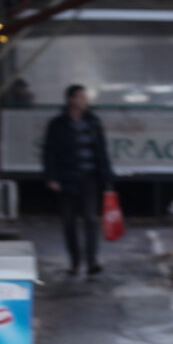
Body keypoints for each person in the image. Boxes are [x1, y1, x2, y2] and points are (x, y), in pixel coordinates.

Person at [42, 84, 116, 276]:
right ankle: (75, 262)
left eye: (85, 97)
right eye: (80, 97)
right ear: (71, 100)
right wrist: (51, 177)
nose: (84, 101)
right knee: (69, 222)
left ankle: (91, 260)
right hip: (66, 178)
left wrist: (107, 176)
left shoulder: (93, 122)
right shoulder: (58, 124)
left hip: (90, 177)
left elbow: (101, 150)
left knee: (91, 219)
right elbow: (50, 151)